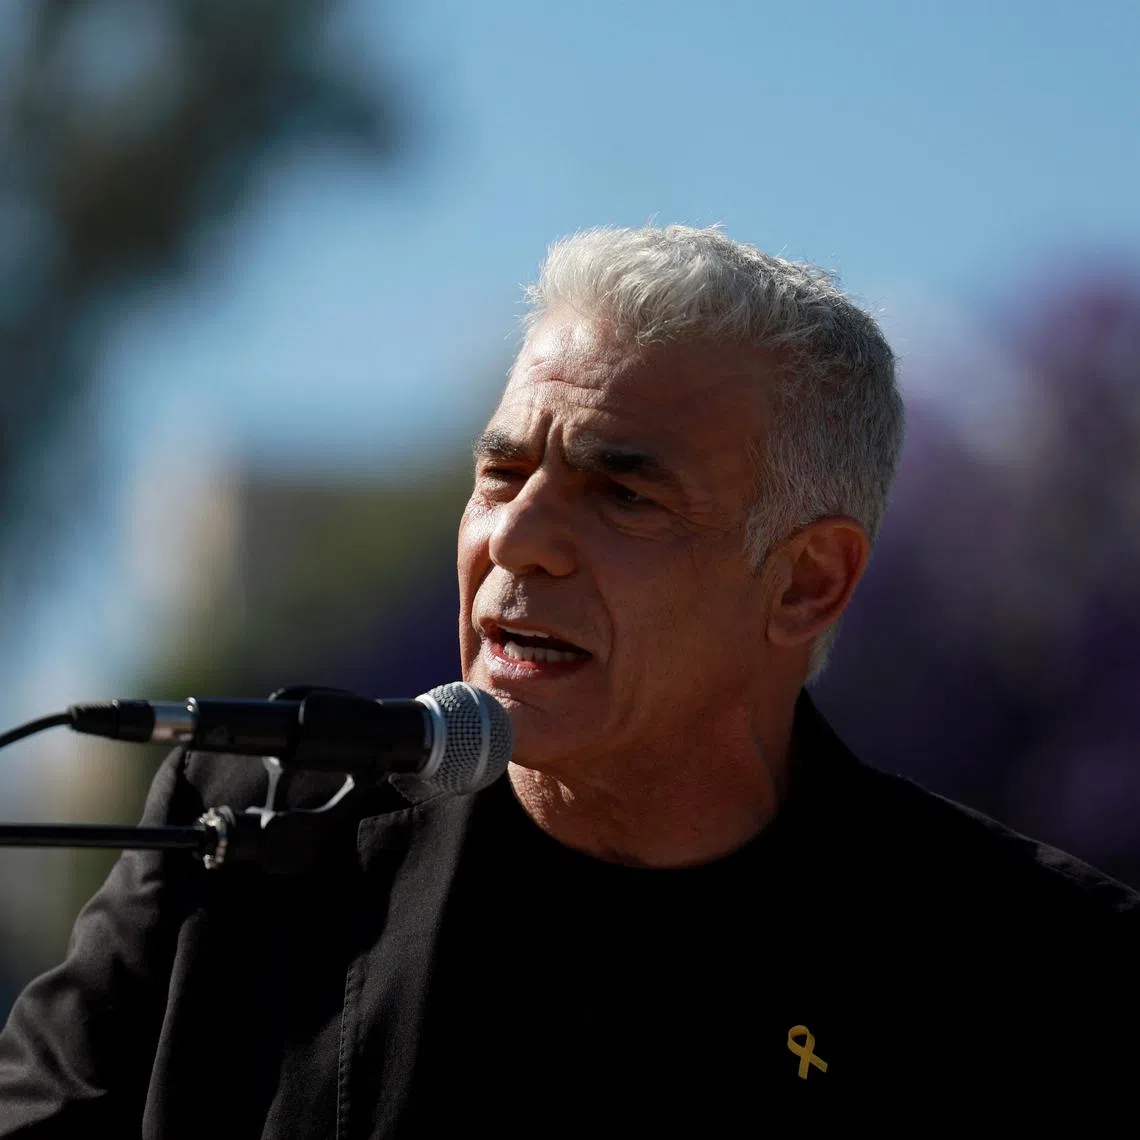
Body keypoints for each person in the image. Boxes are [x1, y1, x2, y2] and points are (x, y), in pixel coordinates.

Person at [0, 225, 1136, 1136]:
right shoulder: (258, 820)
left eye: (623, 494)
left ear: (807, 583)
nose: (519, 538)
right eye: (500, 472)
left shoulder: (1038, 974)